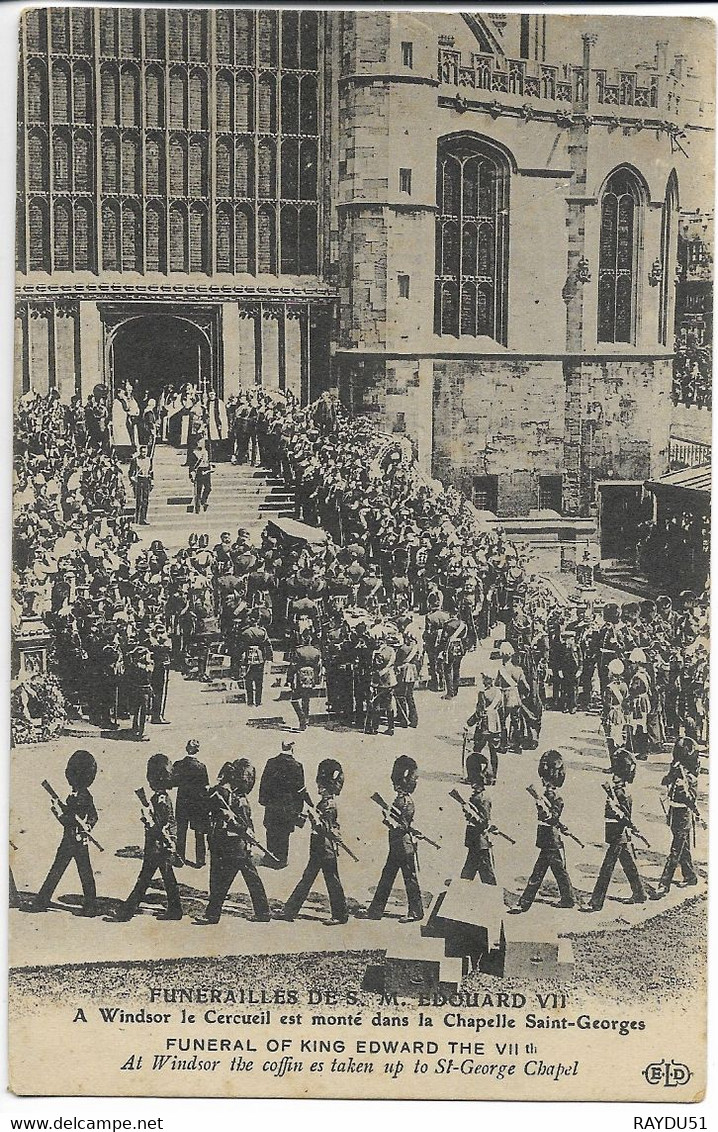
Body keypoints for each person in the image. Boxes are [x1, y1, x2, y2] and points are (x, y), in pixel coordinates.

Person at [200, 759, 270, 924]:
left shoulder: (239, 799)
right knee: (251, 879)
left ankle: (212, 915)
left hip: (234, 845)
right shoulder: (228, 795)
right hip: (231, 844)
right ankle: (263, 913)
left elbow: (244, 824)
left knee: (222, 881)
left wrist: (234, 821)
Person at [583, 748, 653, 912]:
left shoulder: (621, 793)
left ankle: (596, 902)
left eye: (616, 774)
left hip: (618, 833)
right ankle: (640, 894)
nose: (613, 777)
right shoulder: (616, 791)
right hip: (617, 832)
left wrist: (618, 813)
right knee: (629, 865)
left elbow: (625, 817)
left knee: (607, 868)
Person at [31, 750, 99, 917]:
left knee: (67, 871)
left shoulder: (82, 797)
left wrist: (58, 812)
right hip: (74, 840)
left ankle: (43, 901)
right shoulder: (80, 795)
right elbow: (88, 815)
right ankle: (88, 906)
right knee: (77, 872)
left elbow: (70, 820)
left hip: (73, 840)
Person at [115, 754, 182, 921]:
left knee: (145, 880)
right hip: (161, 845)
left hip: (158, 845)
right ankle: (174, 910)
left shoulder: (159, 799)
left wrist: (147, 820)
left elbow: (159, 825)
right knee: (164, 879)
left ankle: (127, 912)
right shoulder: (162, 797)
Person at [283, 758, 349, 926]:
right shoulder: (324, 803)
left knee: (330, 881)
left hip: (325, 848)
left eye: (322, 787)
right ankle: (289, 911)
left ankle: (340, 915)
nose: (319, 789)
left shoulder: (329, 805)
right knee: (309, 879)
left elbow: (326, 828)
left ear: (328, 787)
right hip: (319, 846)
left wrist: (314, 818)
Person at [360, 755, 424, 923]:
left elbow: (402, 826)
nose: (396, 788)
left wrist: (389, 820)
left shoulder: (406, 802)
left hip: (403, 846)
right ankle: (375, 911)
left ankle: (416, 912)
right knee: (387, 878)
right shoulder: (400, 800)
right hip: (397, 845)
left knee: (409, 880)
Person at [513, 750, 576, 912]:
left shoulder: (556, 799)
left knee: (539, 874)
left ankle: (524, 903)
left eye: (547, 783)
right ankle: (568, 899)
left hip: (551, 840)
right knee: (558, 872)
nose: (545, 785)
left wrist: (543, 807)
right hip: (548, 838)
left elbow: (552, 818)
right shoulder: (546, 796)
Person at [657, 738, 700, 895]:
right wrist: (670, 777)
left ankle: (664, 885)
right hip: (674, 813)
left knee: (675, 851)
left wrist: (682, 788)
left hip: (683, 816)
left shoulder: (690, 777)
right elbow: (665, 782)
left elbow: (691, 800)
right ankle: (690, 876)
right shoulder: (676, 769)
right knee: (683, 847)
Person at [258, 740, 305, 868]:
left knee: (271, 830)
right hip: (288, 806)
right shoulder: (297, 766)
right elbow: (300, 790)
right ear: (292, 749)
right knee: (284, 833)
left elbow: (264, 783)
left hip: (272, 805)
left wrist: (263, 800)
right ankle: (282, 859)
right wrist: (299, 809)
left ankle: (270, 857)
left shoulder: (271, 762)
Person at [172, 742, 209, 868]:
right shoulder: (201, 767)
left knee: (181, 831)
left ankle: (179, 859)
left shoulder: (178, 764)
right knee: (199, 832)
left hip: (182, 802)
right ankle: (200, 860)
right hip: (197, 803)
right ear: (197, 751)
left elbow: (173, 782)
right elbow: (205, 787)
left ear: (186, 748)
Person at [459, 764, 498, 885]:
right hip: (475, 838)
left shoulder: (483, 798)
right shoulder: (476, 796)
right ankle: (461, 889)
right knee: (472, 868)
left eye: (474, 783)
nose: (472, 785)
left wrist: (470, 814)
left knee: (482, 871)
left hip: (480, 839)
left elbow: (484, 822)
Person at [465, 672, 503, 783]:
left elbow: (480, 712)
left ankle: (475, 776)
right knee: (493, 752)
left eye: (484, 678)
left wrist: (469, 723)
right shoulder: (499, 692)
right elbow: (501, 709)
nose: (482, 680)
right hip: (495, 724)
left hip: (484, 725)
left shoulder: (482, 694)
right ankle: (492, 777)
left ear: (488, 680)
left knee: (477, 750)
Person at [286, 629, 322, 731]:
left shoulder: (298, 651)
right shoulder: (316, 651)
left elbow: (293, 665)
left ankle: (302, 719)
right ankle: (306, 718)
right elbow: (318, 666)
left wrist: (289, 678)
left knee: (295, 698)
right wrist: (317, 678)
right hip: (311, 676)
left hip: (300, 675)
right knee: (306, 699)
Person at [237, 608, 273, 708]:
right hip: (260, 657)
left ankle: (250, 701)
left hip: (248, 656)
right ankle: (258, 701)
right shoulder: (262, 632)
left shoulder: (245, 632)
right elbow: (268, 645)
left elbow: (241, 647)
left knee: (248, 680)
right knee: (259, 680)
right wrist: (269, 658)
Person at [129, 444, 153, 525]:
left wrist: (152, 482)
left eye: (145, 452)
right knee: (139, 500)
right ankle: (138, 518)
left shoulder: (149, 459)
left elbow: (151, 471)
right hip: (139, 480)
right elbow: (131, 472)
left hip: (146, 480)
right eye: (142, 452)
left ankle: (144, 518)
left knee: (145, 500)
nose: (144, 454)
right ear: (140, 452)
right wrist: (133, 480)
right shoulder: (135, 460)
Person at [190, 438, 212, 514]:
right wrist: (192, 474)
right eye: (200, 442)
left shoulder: (206, 452)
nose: (201, 444)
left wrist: (210, 468)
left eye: (203, 442)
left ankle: (203, 500)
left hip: (206, 470)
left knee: (208, 488)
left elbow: (208, 461)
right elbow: (192, 465)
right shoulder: (194, 452)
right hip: (199, 471)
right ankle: (197, 508)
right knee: (198, 490)